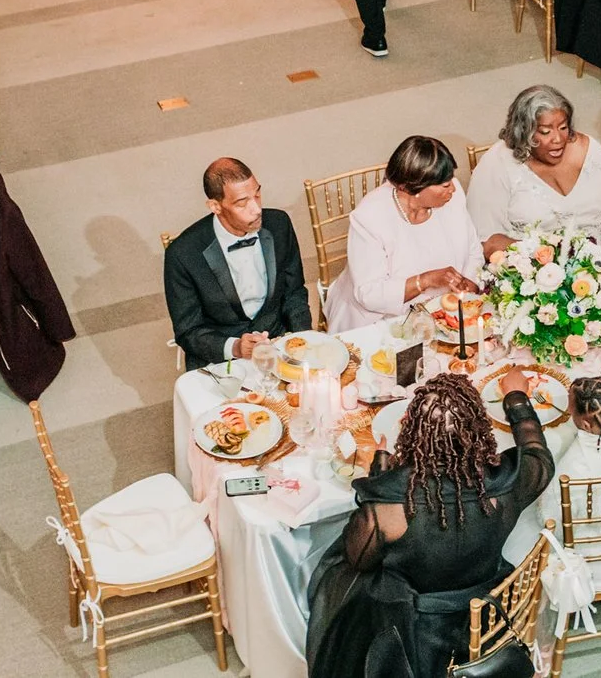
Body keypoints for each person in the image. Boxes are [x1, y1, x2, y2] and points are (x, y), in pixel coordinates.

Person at [305, 370, 555, 678]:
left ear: (413, 432)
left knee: (338, 575)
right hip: (487, 607)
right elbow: (539, 456)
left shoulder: (388, 508)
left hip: (415, 627)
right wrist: (516, 399)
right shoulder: (508, 484)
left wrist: (380, 472)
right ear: (477, 428)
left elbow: (358, 560)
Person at [164, 157, 313, 368]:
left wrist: (302, 340)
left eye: (257, 195)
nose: (256, 209)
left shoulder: (279, 224)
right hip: (221, 356)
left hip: (278, 341)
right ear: (215, 206)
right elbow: (188, 331)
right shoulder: (182, 254)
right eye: (242, 202)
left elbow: (294, 291)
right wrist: (235, 347)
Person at [503, 374, 601, 564]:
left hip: (588, 557)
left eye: (571, 410)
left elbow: (553, 522)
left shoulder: (571, 468)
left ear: (586, 424)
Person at [333, 137, 484, 333]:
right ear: (414, 188)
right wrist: (426, 280)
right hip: (382, 318)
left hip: (447, 311)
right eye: (445, 185)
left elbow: (473, 250)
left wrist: (470, 282)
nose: (453, 189)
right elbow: (369, 294)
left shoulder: (453, 199)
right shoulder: (369, 218)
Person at [467, 86, 601, 255]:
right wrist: (545, 258)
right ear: (524, 131)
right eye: (545, 132)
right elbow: (488, 242)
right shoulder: (497, 163)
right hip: (528, 263)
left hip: (596, 260)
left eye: (563, 127)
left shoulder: (592, 153)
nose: (558, 139)